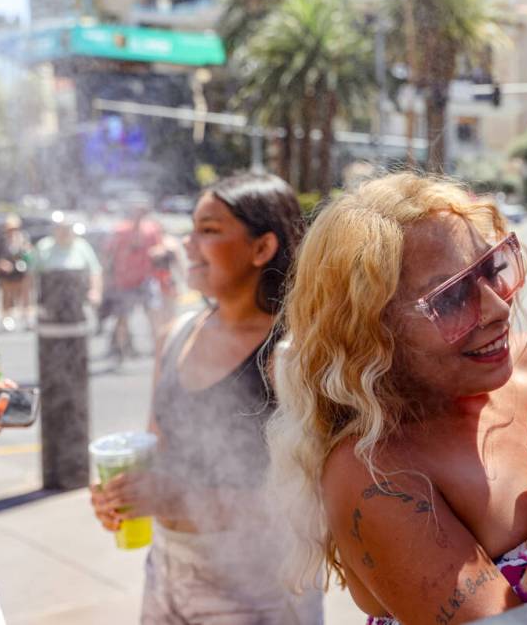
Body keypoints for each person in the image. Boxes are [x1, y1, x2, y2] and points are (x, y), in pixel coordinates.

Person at [267, 173, 527, 625]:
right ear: (373, 331)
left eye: (493, 268)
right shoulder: (378, 471)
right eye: (453, 296)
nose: (498, 309)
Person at [88, 173, 322, 624]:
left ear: (262, 248)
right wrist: (120, 494)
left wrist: (178, 498)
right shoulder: (177, 333)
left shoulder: (291, 353)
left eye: (209, 230)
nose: (187, 244)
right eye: (191, 228)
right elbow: (156, 451)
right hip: (166, 568)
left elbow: (311, 502)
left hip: (259, 587)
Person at [103, 204, 163, 360]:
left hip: (145, 279)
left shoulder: (151, 229)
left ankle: (159, 350)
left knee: (153, 315)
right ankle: (121, 350)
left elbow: (158, 249)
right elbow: (108, 252)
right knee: (123, 317)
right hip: (125, 281)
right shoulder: (120, 230)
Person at [33, 212, 103, 307]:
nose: (64, 233)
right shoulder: (44, 246)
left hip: (77, 302)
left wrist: (95, 291)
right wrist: (28, 301)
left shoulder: (82, 246)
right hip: (49, 301)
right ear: (55, 230)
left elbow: (95, 271)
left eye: (67, 229)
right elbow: (30, 274)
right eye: (61, 229)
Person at [0, 214, 34, 331]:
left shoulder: (23, 238)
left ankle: (27, 319)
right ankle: (6, 319)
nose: (13, 231)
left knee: (25, 296)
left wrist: (27, 251)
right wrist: (1, 264)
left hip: (21, 271)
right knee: (7, 296)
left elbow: (28, 252)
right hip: (7, 272)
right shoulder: (2, 240)